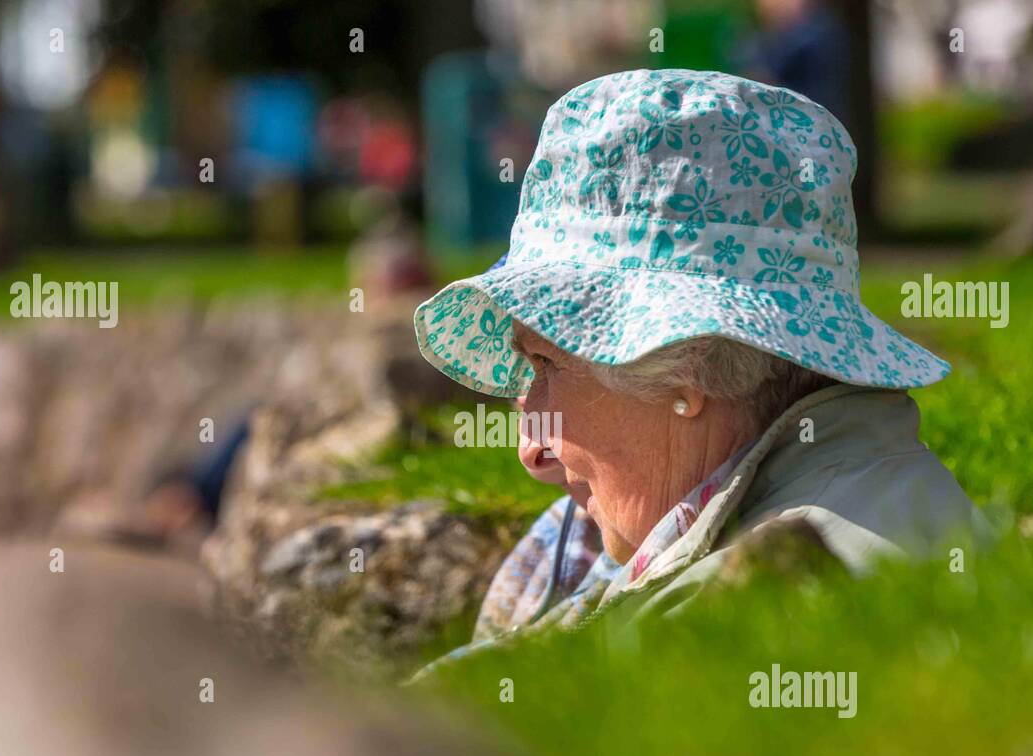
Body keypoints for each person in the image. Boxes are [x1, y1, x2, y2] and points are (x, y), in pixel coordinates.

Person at [409, 69, 985, 676]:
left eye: (546, 363)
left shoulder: (729, 619)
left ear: (689, 368)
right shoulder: (851, 490)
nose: (532, 450)